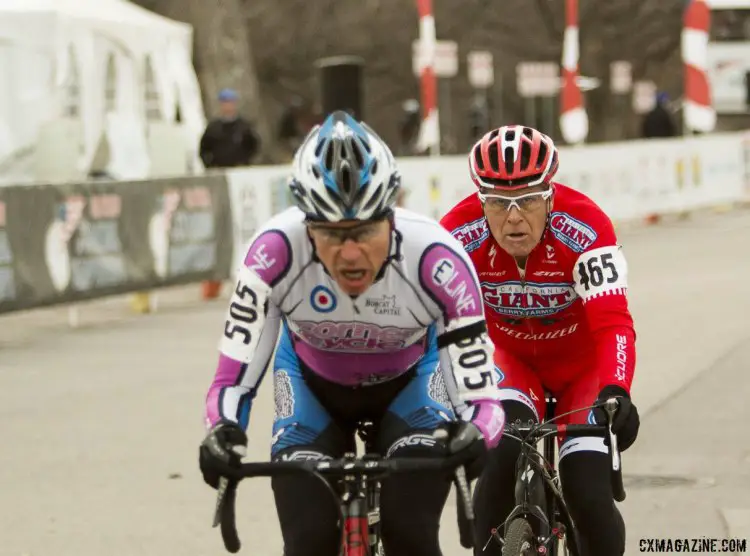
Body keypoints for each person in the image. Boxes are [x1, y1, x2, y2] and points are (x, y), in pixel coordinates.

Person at [198, 110, 505, 556]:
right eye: (330, 233)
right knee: (307, 542)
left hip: (412, 388)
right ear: (305, 225)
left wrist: (478, 431)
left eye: (364, 231)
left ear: (391, 217)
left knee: (411, 536)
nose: (350, 252)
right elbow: (232, 380)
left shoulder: (437, 259)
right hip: (311, 390)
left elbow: (481, 397)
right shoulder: (272, 254)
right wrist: (221, 429)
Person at [440, 125, 640, 556]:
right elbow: (437, 332)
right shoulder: (456, 235)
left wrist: (617, 389)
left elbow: (613, 323)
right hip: (511, 362)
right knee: (493, 479)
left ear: (549, 196)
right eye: (498, 202)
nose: (513, 217)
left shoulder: (586, 227)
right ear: (480, 200)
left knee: (588, 496)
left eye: (528, 200)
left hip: (581, 369)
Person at [199, 88, 261, 169]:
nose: (228, 105)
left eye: (230, 102)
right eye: (225, 102)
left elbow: (253, 146)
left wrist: (245, 162)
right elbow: (204, 149)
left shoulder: (243, 127)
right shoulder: (213, 128)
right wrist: (211, 165)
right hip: (220, 170)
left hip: (240, 170)